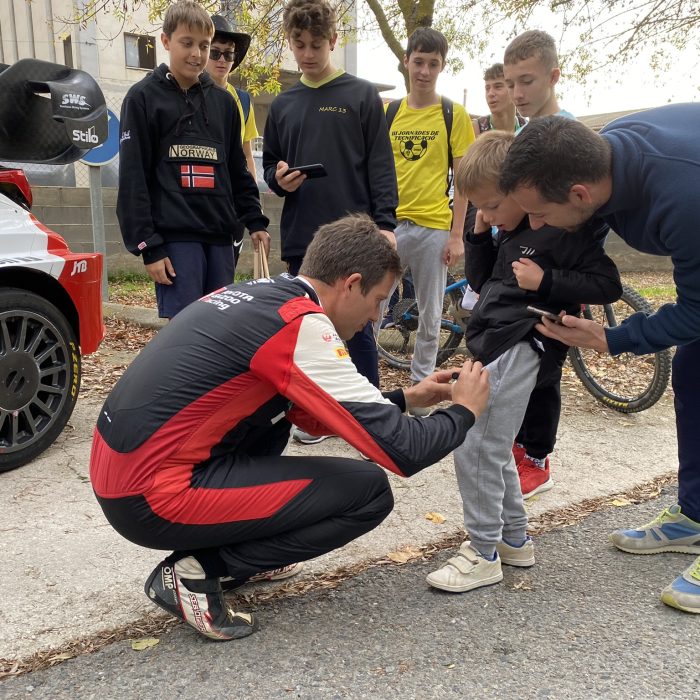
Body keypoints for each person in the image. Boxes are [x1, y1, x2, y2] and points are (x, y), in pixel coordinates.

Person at [89, 213, 490, 641]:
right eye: (377, 300)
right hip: (152, 495)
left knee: (277, 420)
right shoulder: (300, 324)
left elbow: (312, 412)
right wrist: (464, 411)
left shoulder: (262, 293)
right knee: (368, 493)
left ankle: (242, 555)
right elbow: (403, 451)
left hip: (124, 475)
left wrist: (407, 398)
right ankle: (198, 570)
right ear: (351, 283)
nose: (375, 317)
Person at [500, 108, 700, 614]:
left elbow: (697, 312)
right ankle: (695, 517)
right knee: (691, 375)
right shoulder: (601, 157)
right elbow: (580, 238)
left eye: (539, 213)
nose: (535, 224)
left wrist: (614, 339)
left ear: (579, 194)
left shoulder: (682, 197)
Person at [426, 131, 621, 593]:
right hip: (495, 343)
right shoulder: (509, 231)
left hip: (523, 343)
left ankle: (482, 552)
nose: (489, 215)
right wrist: (479, 233)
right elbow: (482, 282)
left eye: (493, 205)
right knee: (493, 446)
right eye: (480, 208)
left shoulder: (561, 231)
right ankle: (512, 540)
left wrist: (545, 280)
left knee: (474, 444)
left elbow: (607, 285)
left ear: (521, 189)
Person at [263, 0, 397, 413]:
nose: (307, 53)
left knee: (358, 329)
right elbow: (270, 165)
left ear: (334, 41)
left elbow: (381, 164)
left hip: (355, 236)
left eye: (316, 45)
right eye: (299, 44)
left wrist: (386, 224)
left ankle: (369, 413)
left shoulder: (362, 95)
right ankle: (312, 415)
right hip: (303, 236)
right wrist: (278, 179)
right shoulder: (283, 104)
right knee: (306, 329)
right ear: (289, 42)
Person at [116, 0, 270, 320]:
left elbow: (236, 169)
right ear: (166, 41)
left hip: (220, 239)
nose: (197, 54)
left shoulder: (224, 104)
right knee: (186, 334)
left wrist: (255, 220)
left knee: (218, 331)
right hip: (176, 242)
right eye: (187, 43)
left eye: (204, 45)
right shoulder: (143, 98)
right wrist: (148, 247)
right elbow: (133, 179)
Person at [502, 30, 577, 498]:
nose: (517, 92)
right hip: (521, 272)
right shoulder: (524, 133)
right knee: (519, 365)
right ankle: (517, 442)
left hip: (556, 278)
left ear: (553, 76)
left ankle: (538, 457)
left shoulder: (570, 137)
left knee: (544, 372)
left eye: (526, 81)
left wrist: (559, 280)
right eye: (511, 82)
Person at [384, 27, 474, 406]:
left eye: (432, 64)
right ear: (406, 61)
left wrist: (456, 234)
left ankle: (420, 394)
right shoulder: (389, 112)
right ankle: (366, 391)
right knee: (370, 310)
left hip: (434, 228)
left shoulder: (454, 114)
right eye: (418, 62)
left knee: (430, 318)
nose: (424, 71)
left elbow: (464, 181)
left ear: (441, 66)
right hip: (390, 228)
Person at [205, 15, 259, 179]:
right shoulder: (187, 95)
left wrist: (252, 192)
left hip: (233, 190)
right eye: (215, 53)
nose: (222, 60)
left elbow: (247, 155)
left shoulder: (243, 101)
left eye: (228, 54)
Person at [472, 62, 526, 135]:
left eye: (498, 87)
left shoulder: (527, 129)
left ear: (513, 89)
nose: (490, 93)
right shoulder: (475, 129)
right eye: (487, 88)